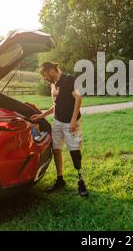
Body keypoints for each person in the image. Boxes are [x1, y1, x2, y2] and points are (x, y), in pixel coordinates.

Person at [31, 62, 88, 197]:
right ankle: (60, 179)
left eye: (45, 75)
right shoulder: (53, 84)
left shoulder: (69, 79)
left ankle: (81, 182)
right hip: (57, 122)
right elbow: (56, 105)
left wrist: (73, 120)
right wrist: (42, 115)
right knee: (56, 149)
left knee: (74, 151)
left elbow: (78, 99)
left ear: (51, 71)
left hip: (71, 122)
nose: (45, 78)